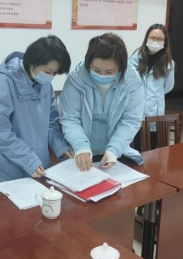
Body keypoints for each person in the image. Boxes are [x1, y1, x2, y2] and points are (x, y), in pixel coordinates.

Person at [0, 35, 74, 184]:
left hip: (37, 164)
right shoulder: (3, 82)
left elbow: (51, 124)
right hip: (7, 169)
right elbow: (0, 131)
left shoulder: (45, 85)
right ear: (33, 63)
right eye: (48, 71)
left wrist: (61, 147)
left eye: (54, 73)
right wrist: (28, 159)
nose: (50, 77)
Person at [60, 33, 144, 172]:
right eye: (96, 70)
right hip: (80, 152)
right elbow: (70, 118)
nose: (102, 75)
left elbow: (131, 120)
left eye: (109, 71)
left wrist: (114, 149)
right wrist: (81, 146)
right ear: (89, 62)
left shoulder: (132, 81)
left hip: (114, 152)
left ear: (121, 67)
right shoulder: (76, 79)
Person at [129, 23, 175, 150]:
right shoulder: (136, 57)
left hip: (153, 111)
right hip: (135, 109)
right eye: (152, 38)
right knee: (133, 146)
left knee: (150, 147)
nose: (155, 41)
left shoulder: (168, 63)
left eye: (160, 39)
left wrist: (154, 95)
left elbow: (168, 87)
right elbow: (129, 80)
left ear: (165, 42)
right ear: (146, 38)